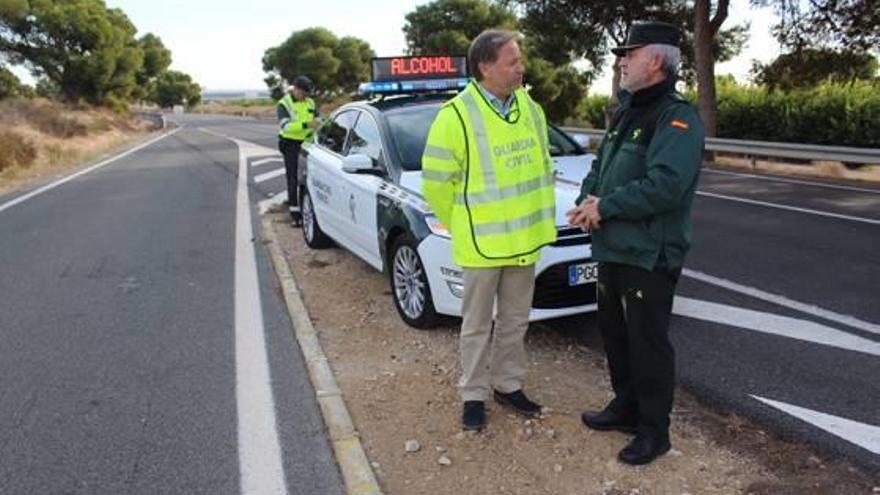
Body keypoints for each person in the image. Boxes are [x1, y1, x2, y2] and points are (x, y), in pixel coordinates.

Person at [566, 21, 705, 465]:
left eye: (631, 52)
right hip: (612, 248)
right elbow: (600, 167)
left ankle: (654, 431)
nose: (621, 60)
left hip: (649, 253)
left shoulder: (676, 116)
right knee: (615, 335)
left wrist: (604, 206)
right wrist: (585, 201)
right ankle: (625, 407)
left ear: (657, 60)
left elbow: (666, 185)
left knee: (647, 343)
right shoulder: (627, 109)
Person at [421, 29, 557, 431]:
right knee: (476, 326)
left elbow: (541, 169)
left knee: (515, 321)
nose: (521, 67)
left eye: (519, 60)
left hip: (524, 242)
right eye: (512, 61)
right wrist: (463, 224)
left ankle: (508, 385)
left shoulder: (531, 108)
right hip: (481, 245)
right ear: (485, 66)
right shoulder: (456, 115)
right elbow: (435, 183)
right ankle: (473, 395)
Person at [277, 75, 317, 225]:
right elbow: (285, 126)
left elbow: (317, 119)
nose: (305, 96)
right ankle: (295, 214)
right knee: (292, 178)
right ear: (296, 89)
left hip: (307, 145)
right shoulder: (283, 104)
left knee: (308, 178)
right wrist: (307, 125)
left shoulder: (310, 102)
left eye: (307, 93)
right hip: (290, 144)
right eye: (303, 92)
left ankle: (309, 209)